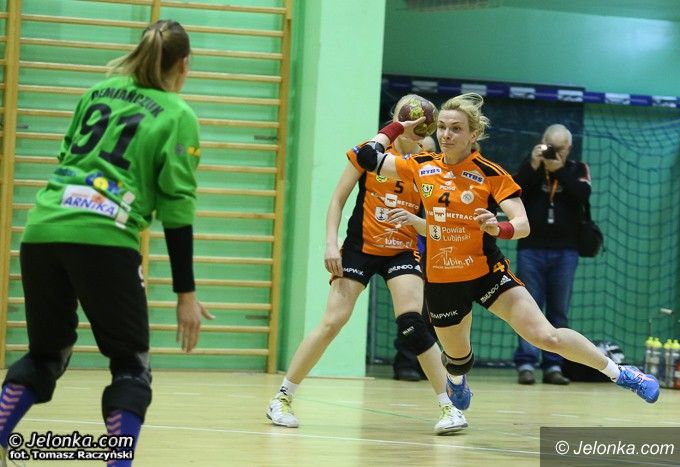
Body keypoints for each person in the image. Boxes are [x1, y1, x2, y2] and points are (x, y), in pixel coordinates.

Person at [354, 92, 660, 411]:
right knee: (458, 360)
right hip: (443, 280)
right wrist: (397, 127)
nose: (446, 134)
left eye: (456, 129)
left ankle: (622, 374)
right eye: (442, 127)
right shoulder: (419, 165)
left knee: (546, 336)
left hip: (488, 273)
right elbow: (367, 157)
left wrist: (498, 227)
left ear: (473, 134)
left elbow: (522, 224)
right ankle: (457, 379)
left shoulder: (490, 173)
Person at [0, 20, 213, 466]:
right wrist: (186, 294)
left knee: (46, 354)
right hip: (105, 238)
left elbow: (67, 156)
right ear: (184, 65)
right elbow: (177, 208)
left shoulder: (97, 93)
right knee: (131, 367)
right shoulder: (178, 114)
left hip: (42, 230)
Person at [266, 95, 468, 435]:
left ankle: (450, 407)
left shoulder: (428, 162)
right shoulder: (369, 152)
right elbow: (337, 199)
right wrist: (330, 243)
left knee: (413, 324)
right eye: (410, 121)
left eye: (424, 123)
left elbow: (437, 221)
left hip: (402, 250)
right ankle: (282, 398)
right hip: (360, 248)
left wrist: (418, 223)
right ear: (397, 120)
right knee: (333, 321)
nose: (418, 127)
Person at [512, 124, 590, 386]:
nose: (555, 152)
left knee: (558, 311)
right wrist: (534, 165)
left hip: (566, 251)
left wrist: (559, 170)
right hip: (530, 248)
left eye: (561, 148)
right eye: (551, 146)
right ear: (542, 142)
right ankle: (526, 363)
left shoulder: (578, 169)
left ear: (569, 147)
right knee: (527, 308)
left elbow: (583, 195)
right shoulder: (531, 165)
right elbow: (514, 191)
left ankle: (554, 365)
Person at [393, 140, 437, 382]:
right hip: (411, 249)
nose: (424, 153)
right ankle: (406, 362)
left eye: (429, 150)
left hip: (439, 251)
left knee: (436, 310)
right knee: (412, 312)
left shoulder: (440, 179)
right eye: (421, 148)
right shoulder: (401, 174)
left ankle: (428, 366)